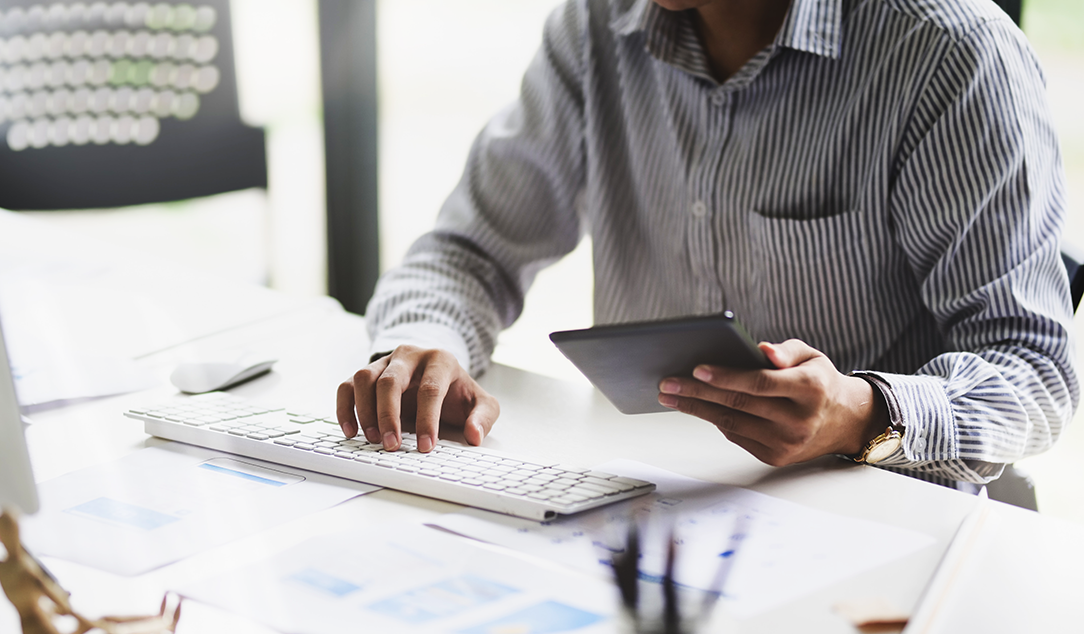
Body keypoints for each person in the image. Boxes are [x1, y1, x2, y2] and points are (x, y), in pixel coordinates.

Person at [335, 0, 1079, 486]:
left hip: (881, 520)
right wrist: (425, 346)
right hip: (644, 500)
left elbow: (1036, 373)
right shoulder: (596, 27)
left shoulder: (949, 54)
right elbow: (468, 252)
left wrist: (862, 414)